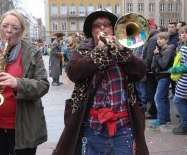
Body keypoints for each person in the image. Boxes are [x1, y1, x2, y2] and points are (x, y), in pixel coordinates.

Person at [54, 9, 149, 155]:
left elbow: (141, 72)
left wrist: (122, 51)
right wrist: (98, 52)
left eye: (107, 24)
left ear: (114, 29)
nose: (102, 28)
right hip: (92, 127)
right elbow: (73, 73)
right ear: (92, 32)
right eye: (97, 26)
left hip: (122, 127)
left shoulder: (124, 50)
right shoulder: (81, 52)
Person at [0, 9, 49, 155]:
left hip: (24, 128)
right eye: (5, 26)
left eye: (15, 27)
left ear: (22, 31)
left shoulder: (33, 53)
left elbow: (43, 84)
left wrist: (18, 83)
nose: (9, 31)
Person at [149, 32, 174, 127]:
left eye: (161, 38)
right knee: (163, 98)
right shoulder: (162, 49)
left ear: (167, 40)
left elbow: (163, 64)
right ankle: (166, 118)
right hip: (162, 76)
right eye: (158, 38)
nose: (158, 40)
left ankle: (161, 119)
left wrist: (156, 55)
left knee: (158, 98)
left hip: (164, 76)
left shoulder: (167, 50)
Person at [169, 26, 187, 135]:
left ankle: (185, 125)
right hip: (183, 78)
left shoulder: (185, 48)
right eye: (181, 33)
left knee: (178, 100)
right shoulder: (184, 46)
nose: (183, 35)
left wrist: (175, 69)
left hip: (184, 80)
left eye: (185, 33)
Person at [142, 19, 158, 120]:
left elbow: (149, 57)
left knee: (152, 91)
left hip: (151, 71)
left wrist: (144, 69)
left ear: (152, 28)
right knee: (152, 91)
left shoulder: (152, 39)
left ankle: (153, 112)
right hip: (151, 70)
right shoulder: (152, 37)